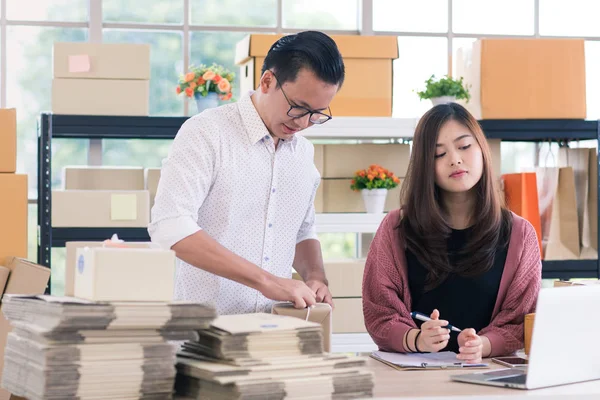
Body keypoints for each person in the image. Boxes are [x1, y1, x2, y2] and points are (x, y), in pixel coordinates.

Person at [148, 31, 345, 315]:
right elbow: (170, 224)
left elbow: (302, 229)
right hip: (203, 334)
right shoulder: (206, 132)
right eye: (298, 107)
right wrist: (266, 281)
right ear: (267, 81)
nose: (303, 123)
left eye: (316, 113)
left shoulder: (303, 153)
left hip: (274, 334)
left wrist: (315, 276)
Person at [362, 103, 542, 363]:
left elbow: (520, 320)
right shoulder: (396, 228)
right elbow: (379, 313)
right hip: (414, 377)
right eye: (439, 154)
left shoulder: (520, 234)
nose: (455, 159)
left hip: (488, 375)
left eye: (464, 146)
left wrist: (484, 345)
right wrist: (416, 339)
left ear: (482, 148)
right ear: (425, 165)